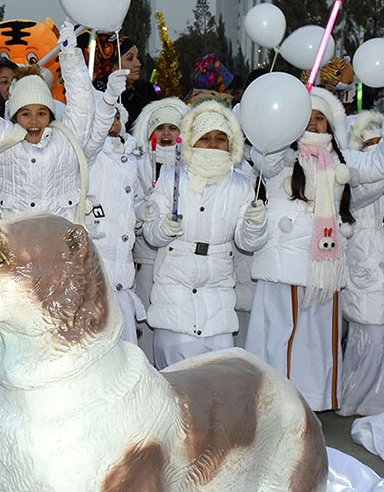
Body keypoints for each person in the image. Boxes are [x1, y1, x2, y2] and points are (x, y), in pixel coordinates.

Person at [246, 88, 384, 410]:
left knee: (319, 344)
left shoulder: (342, 161)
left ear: (330, 125)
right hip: (285, 270)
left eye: (319, 118)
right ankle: (277, 407)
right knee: (279, 341)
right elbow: (261, 158)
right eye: (306, 117)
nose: (313, 123)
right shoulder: (281, 155)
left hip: (324, 268)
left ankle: (309, 406)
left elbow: (377, 166)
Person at [141, 102, 268, 368]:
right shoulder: (171, 178)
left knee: (217, 378)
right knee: (175, 378)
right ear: (192, 141)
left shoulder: (241, 185)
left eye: (220, 139)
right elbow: (151, 234)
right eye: (205, 138)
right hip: (174, 293)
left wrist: (255, 225)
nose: (212, 145)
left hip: (218, 296)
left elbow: (247, 242)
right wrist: (163, 229)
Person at [0, 21, 118, 224]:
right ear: (14, 117)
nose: (34, 121)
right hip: (15, 242)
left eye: (42, 113)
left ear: (51, 115)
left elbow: (82, 104)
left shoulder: (66, 141)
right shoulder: (2, 141)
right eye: (25, 114)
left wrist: (70, 56)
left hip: (59, 244)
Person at [84, 91, 147, 344]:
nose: (112, 124)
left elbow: (137, 197)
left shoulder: (133, 155)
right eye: (106, 117)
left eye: (117, 117)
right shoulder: (90, 155)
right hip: (98, 262)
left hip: (124, 270)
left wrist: (142, 211)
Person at [131, 97, 188, 362]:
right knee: (143, 323)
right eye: (160, 127)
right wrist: (140, 211)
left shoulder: (189, 167)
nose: (166, 133)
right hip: (145, 259)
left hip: (178, 261)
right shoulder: (136, 163)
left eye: (172, 128)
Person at [339, 110, 384, 416]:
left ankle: (374, 400)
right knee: (368, 335)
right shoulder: (352, 169)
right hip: (364, 257)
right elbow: (358, 197)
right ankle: (353, 398)